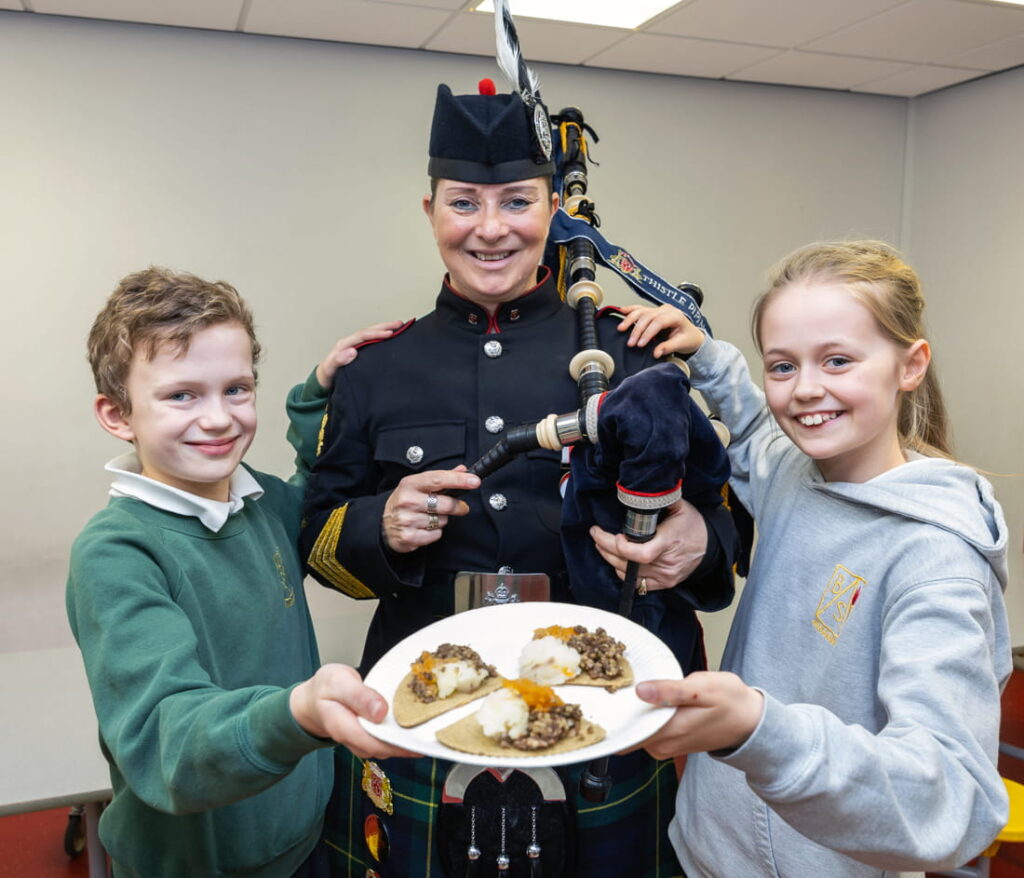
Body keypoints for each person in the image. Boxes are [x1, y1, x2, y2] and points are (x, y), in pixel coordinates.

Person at [299, 81, 736, 876]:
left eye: (517, 202)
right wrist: (380, 526)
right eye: (464, 203)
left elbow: (723, 528)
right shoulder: (376, 371)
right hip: (423, 710)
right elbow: (318, 543)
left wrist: (696, 538)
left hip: (605, 710)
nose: (491, 229)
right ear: (428, 210)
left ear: (552, 212)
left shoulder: (635, 354)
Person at [617, 241, 1011, 876]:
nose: (805, 391)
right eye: (782, 366)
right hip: (701, 852)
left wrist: (758, 731)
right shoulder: (795, 474)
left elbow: (951, 797)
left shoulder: (935, 561)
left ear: (910, 365)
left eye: (837, 360)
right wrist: (708, 355)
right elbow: (752, 433)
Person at [67, 267, 413, 878]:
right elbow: (165, 741)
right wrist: (297, 714)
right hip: (204, 865)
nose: (220, 419)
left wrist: (318, 393)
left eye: (237, 389)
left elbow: (316, 495)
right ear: (118, 415)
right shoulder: (117, 553)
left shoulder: (262, 503)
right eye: (182, 395)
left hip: (307, 834)